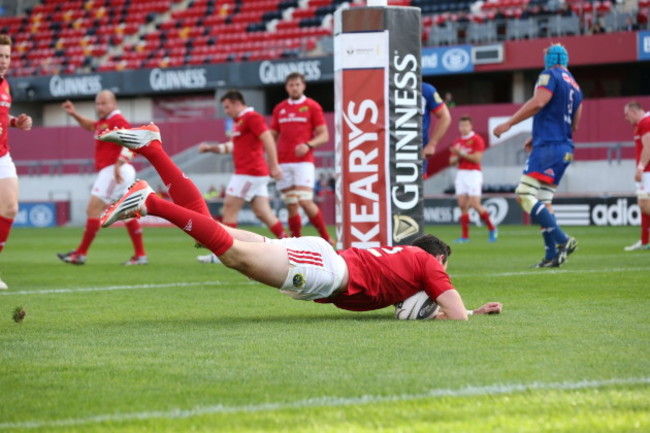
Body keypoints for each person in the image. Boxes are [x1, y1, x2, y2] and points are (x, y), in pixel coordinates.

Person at [97, 123, 503, 320]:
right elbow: (455, 313)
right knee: (232, 255)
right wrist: (468, 313)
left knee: (212, 234)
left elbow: (427, 309)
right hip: (326, 271)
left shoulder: (404, 268)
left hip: (325, 260)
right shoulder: (427, 263)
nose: (441, 280)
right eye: (443, 272)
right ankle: (150, 201)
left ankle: (152, 146)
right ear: (435, 258)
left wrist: (473, 310)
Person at [493, 44, 582, 267]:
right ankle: (551, 255)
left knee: (523, 193)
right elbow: (575, 124)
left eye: (545, 55)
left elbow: (539, 102)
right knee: (544, 199)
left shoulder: (549, 74)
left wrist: (509, 123)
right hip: (564, 147)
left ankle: (563, 241)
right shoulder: (576, 87)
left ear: (551, 58)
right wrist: (538, 135)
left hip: (549, 146)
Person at [56, 90, 148, 266]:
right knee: (126, 213)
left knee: (92, 210)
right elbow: (92, 126)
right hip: (118, 170)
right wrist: (74, 114)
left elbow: (133, 141)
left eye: (104, 103)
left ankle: (81, 254)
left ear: (114, 104)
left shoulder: (117, 120)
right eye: (97, 103)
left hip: (114, 170)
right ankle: (140, 255)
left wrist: (119, 163)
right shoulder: (105, 122)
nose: (100, 106)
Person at [197, 90, 287, 239]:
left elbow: (268, 139)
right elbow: (232, 147)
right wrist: (210, 148)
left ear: (237, 103)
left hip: (249, 172)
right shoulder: (238, 122)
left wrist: (274, 165)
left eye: (227, 107)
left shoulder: (252, 117)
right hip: (252, 173)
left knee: (229, 209)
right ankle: (289, 243)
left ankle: (226, 250)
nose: (226, 111)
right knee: (263, 213)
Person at [270, 72, 333, 243]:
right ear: (286, 87)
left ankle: (326, 238)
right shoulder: (280, 108)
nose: (294, 87)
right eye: (291, 85)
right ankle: (296, 242)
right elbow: (271, 137)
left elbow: (324, 135)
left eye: (297, 84)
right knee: (291, 203)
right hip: (283, 162)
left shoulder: (312, 106)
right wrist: (270, 162)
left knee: (305, 201)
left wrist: (308, 145)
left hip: (303, 162)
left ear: (303, 86)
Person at [0, 34, 33, 290]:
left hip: (2, 154)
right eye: (0, 56)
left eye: (7, 56)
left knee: (10, 207)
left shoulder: (5, 85)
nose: (3, 61)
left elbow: (3, 113)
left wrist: (14, 122)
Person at [449, 115, 497, 243]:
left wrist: (461, 153)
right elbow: (452, 161)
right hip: (461, 174)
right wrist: (458, 155)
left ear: (471, 126)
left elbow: (477, 159)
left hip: (473, 174)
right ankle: (465, 236)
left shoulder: (477, 140)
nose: (463, 128)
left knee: (475, 204)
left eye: (466, 125)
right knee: (462, 205)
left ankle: (492, 228)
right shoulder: (457, 142)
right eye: (461, 125)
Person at [623, 101, 650, 251]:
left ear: (634, 112)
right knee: (643, 205)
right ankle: (645, 241)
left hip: (647, 171)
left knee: (644, 204)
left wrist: (640, 167)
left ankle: (645, 241)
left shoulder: (645, 122)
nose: (626, 118)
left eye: (627, 115)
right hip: (646, 170)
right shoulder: (642, 123)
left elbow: (649, 145)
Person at [422, 82, 452, 178]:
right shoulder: (386, 87)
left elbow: (445, 117)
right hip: (391, 153)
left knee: (416, 190)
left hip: (418, 154)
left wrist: (432, 144)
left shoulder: (425, 90)